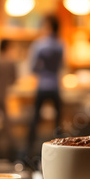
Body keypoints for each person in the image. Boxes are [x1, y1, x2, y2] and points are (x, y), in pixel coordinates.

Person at [26, 15, 64, 158]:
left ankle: (30, 151)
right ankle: (60, 150)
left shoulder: (40, 45)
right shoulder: (60, 44)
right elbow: (61, 65)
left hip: (42, 85)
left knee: (35, 119)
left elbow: (33, 67)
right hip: (55, 85)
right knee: (57, 122)